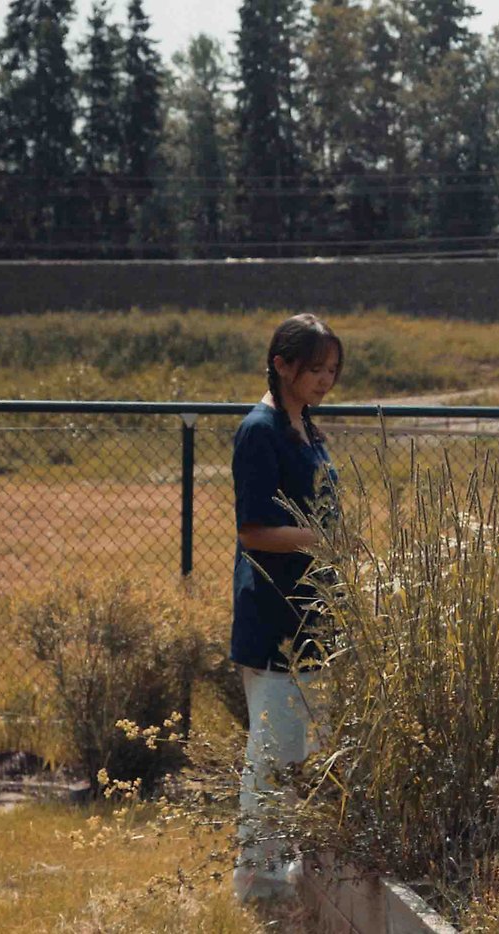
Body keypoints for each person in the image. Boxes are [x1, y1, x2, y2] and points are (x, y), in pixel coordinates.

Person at [230, 313, 343, 902]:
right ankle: (259, 881)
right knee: (272, 755)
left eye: (331, 370)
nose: (325, 380)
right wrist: (323, 541)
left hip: (315, 611)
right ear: (281, 365)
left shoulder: (307, 427)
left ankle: (285, 867)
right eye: (315, 369)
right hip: (274, 613)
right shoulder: (260, 430)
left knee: (299, 750)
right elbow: (253, 531)